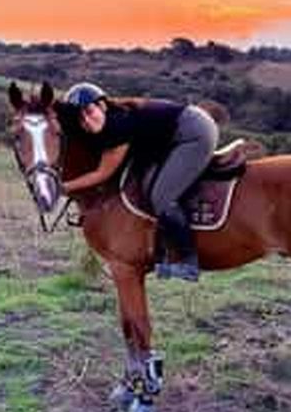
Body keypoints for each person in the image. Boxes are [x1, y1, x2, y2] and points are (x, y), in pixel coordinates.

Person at [59, 82, 219, 281]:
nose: (87, 122)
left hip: (193, 133)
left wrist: (64, 187)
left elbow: (102, 174)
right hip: (176, 133)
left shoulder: (117, 126)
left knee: (162, 197)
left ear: (102, 105)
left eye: (89, 112)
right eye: (81, 119)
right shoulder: (110, 120)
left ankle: (187, 262)